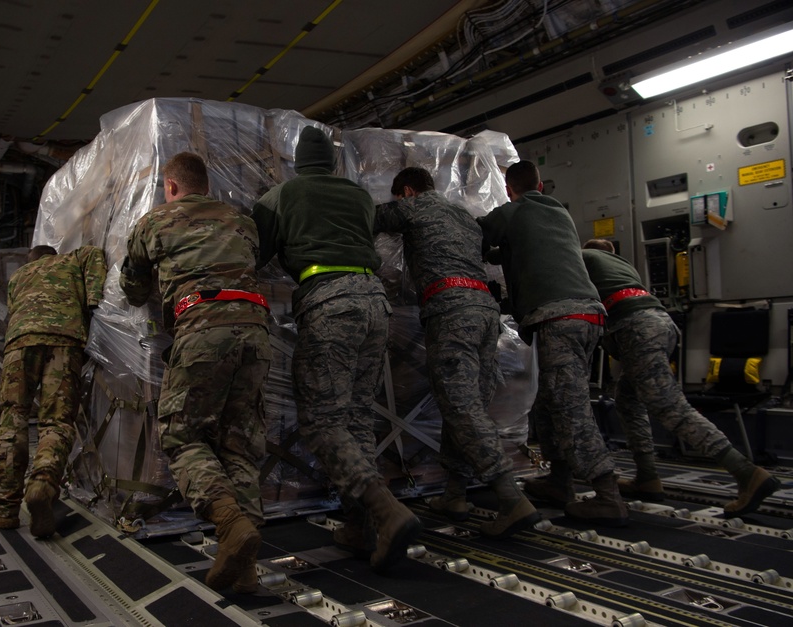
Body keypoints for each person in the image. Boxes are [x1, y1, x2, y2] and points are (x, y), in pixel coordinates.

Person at [253, 126, 421, 573]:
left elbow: (254, 253)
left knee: (322, 422)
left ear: (296, 160)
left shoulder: (282, 195)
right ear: (330, 161)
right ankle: (363, 526)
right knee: (357, 417)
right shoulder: (360, 196)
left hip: (329, 301)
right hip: (374, 301)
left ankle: (385, 510)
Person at [121, 152, 272, 593]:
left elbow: (132, 289)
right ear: (206, 185)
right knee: (239, 441)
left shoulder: (156, 222)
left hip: (203, 328)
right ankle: (244, 568)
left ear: (171, 187)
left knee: (181, 434)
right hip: (256, 331)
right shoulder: (242, 220)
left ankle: (228, 523)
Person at [375, 167, 540, 538]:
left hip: (451, 310)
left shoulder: (414, 207)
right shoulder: (465, 217)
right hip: (485, 312)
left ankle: (510, 497)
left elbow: (369, 218)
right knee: (465, 404)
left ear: (405, 191)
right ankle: (455, 493)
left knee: (460, 403)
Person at [581, 239, 780, 517]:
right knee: (627, 398)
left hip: (636, 328)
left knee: (669, 406)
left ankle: (747, 473)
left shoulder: (582, 257)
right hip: (660, 323)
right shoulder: (623, 265)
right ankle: (648, 478)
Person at [478, 161, 628, 526]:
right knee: (548, 402)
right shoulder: (557, 213)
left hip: (558, 319)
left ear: (510, 190)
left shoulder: (513, 212)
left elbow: (475, 234)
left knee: (569, 407)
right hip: (589, 315)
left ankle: (608, 494)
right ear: (541, 185)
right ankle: (560, 481)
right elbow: (525, 252)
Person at [0, 244, 107, 538]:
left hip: (20, 344)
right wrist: (92, 301)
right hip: (65, 341)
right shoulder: (73, 260)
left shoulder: (19, 277)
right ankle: (43, 485)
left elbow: (12, 310)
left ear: (30, 260)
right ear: (54, 256)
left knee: (14, 418)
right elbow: (94, 254)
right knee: (57, 420)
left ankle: (5, 510)